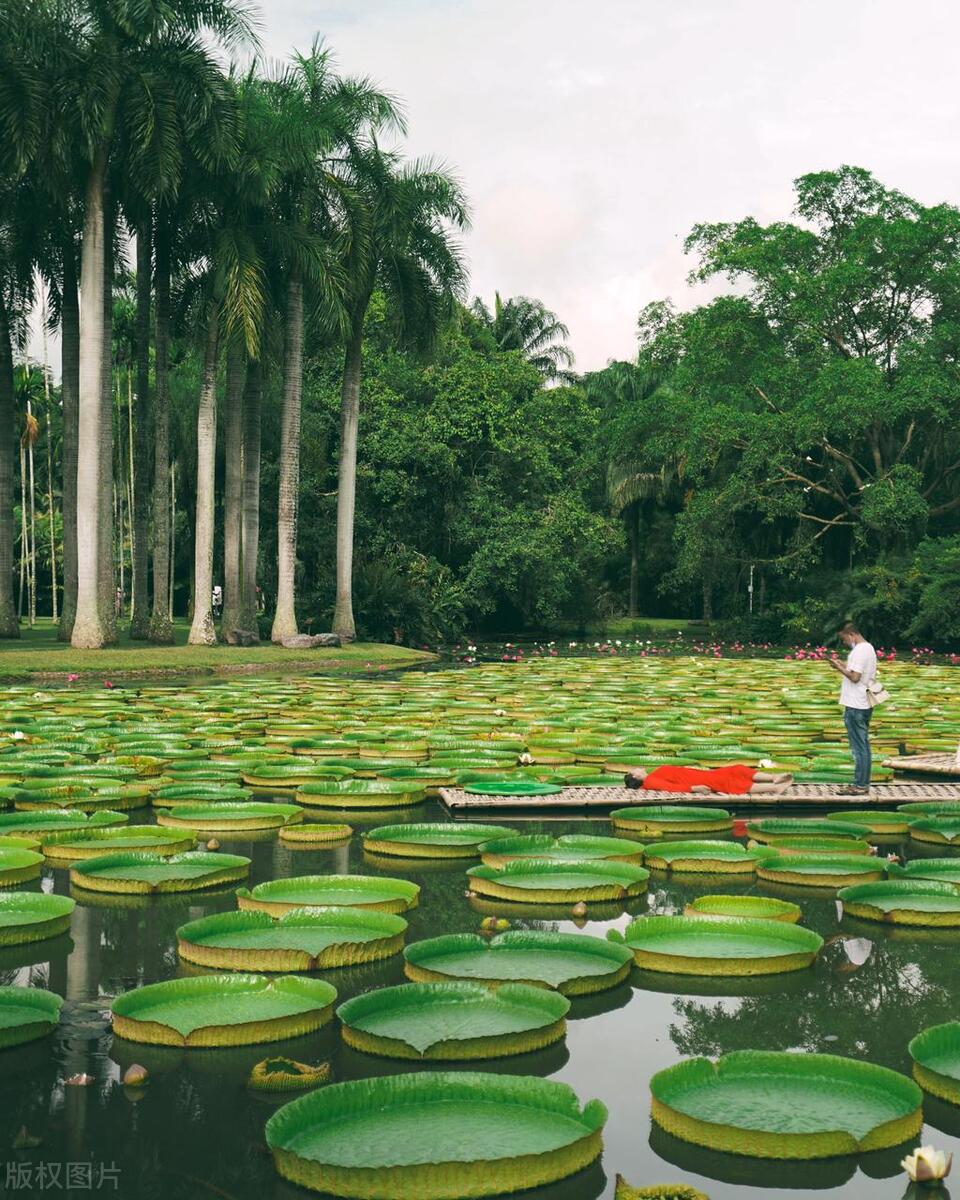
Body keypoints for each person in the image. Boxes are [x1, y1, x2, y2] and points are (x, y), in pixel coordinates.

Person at [827, 620, 877, 795]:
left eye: (844, 639)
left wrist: (838, 667)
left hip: (855, 705)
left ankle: (860, 786)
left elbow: (855, 677)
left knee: (859, 746)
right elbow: (860, 676)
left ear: (851, 635)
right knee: (863, 745)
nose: (844, 643)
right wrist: (842, 665)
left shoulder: (858, 651)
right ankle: (863, 784)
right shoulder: (869, 648)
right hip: (865, 703)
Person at [623, 764, 793, 795]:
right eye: (634, 770)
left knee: (737, 769)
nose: (636, 768)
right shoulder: (650, 781)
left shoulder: (652, 776)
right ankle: (773, 788)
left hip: (703, 774)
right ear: (636, 776)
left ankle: (773, 778)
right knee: (733, 783)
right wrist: (695, 789)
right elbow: (671, 788)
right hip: (699, 781)